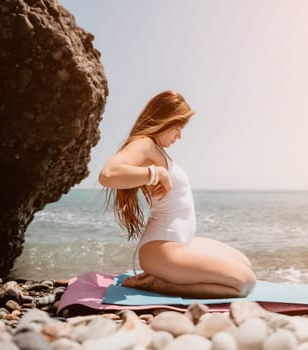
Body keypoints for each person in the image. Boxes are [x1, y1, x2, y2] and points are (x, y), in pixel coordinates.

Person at [99, 90, 256, 298]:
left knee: (244, 264)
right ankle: (157, 284)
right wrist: (155, 173)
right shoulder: (144, 143)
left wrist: (158, 172)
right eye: (178, 128)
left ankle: (165, 276)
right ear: (165, 120)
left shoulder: (158, 150)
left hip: (182, 242)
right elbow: (108, 174)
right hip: (161, 250)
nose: (179, 136)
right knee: (244, 283)